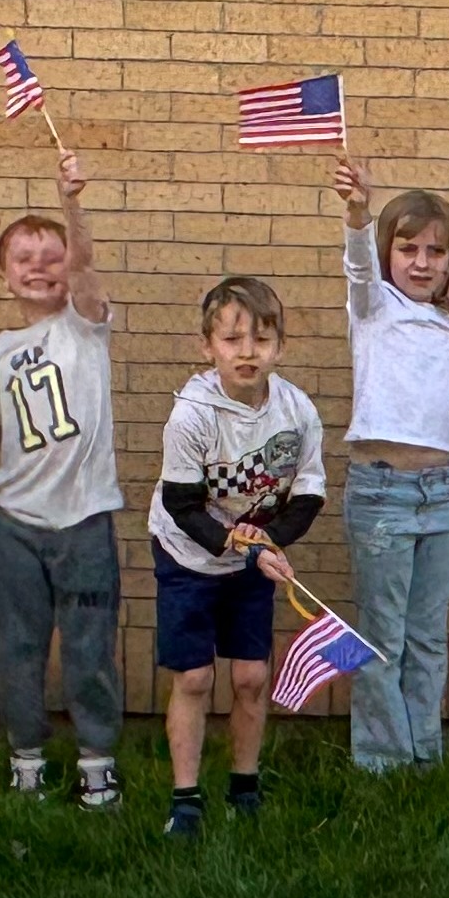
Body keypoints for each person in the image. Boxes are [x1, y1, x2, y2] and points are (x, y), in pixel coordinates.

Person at [0, 145, 124, 810]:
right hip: (19, 526)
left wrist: (72, 202)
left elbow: (89, 268)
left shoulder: (86, 326)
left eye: (53, 255)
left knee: (89, 650)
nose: (41, 267)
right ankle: (28, 758)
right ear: (3, 274)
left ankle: (98, 761)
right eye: (25, 258)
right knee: (17, 650)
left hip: (86, 520)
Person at [145, 277, 328, 839]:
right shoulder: (193, 413)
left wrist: (271, 545)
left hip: (250, 557)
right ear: (208, 347)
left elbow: (308, 494)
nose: (247, 351)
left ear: (280, 346)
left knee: (251, 676)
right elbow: (180, 502)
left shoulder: (296, 411)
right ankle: (186, 799)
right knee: (196, 678)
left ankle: (244, 786)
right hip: (187, 556)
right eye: (232, 339)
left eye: (261, 339)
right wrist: (233, 542)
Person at [331, 159, 449, 773]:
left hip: (443, 493)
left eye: (435, 251)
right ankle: (382, 762)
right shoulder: (373, 308)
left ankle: (424, 756)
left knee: (427, 637)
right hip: (383, 492)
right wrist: (358, 214)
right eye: (407, 247)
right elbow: (358, 267)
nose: (421, 261)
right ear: (388, 252)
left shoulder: (444, 323)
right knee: (382, 637)